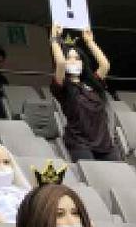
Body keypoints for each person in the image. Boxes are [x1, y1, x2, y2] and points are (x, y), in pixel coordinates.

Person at [50, 25, 119, 162]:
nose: (73, 61)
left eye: (77, 58)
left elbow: (105, 65)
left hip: (104, 143)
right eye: (69, 58)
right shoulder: (63, 87)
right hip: (80, 143)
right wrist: (54, 39)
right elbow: (61, 63)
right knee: (91, 172)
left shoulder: (92, 84)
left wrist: (89, 42)